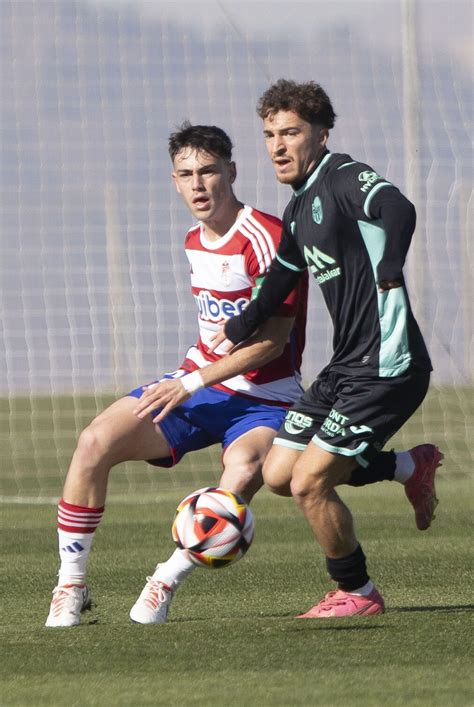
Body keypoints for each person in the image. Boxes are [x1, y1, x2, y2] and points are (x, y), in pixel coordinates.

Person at [45, 122, 308, 627]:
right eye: (186, 174)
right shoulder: (193, 239)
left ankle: (167, 575)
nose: (198, 184)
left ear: (231, 172)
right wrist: (192, 379)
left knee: (246, 471)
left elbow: (269, 344)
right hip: (198, 384)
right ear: (174, 181)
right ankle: (71, 584)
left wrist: (189, 382)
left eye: (209, 171)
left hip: (265, 397)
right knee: (94, 441)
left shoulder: (267, 236)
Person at [208, 79, 443, 618]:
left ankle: (358, 593)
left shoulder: (342, 177)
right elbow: (281, 275)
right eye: (269, 134)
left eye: (290, 132)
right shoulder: (297, 208)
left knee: (312, 483)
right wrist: (243, 323)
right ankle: (409, 467)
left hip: (389, 365)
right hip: (345, 367)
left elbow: (397, 209)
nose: (277, 146)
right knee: (277, 476)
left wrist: (389, 269)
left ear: (320, 133)